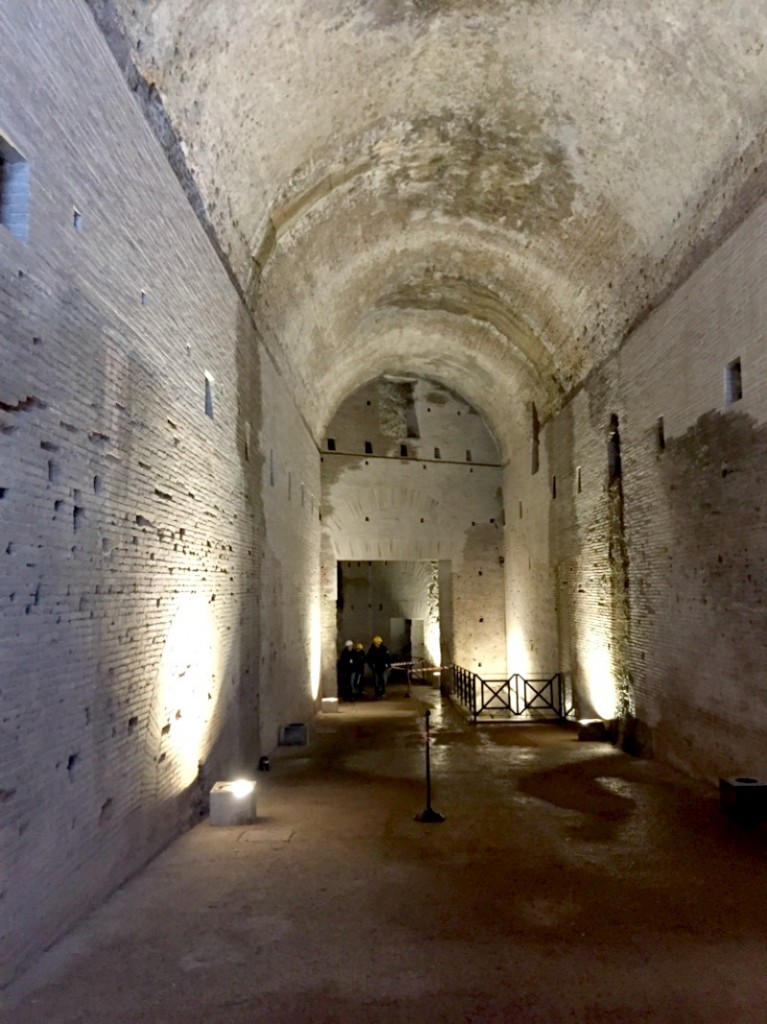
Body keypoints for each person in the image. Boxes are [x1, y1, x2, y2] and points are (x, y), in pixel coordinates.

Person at [366, 635, 391, 699]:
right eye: (376, 643)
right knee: (376, 681)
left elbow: (387, 657)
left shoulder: (384, 648)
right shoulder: (371, 650)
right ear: (374, 643)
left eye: (379, 642)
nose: (378, 644)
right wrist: (371, 665)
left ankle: (382, 693)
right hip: (375, 668)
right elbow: (369, 658)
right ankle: (377, 693)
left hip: (383, 668)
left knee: (382, 680)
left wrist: (388, 665)